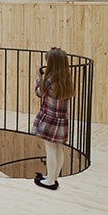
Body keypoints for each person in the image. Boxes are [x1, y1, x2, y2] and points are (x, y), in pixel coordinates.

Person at [32, 47, 74, 191]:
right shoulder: (67, 81)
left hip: (49, 119)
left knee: (50, 149)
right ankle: (54, 177)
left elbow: (39, 93)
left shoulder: (48, 81)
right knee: (58, 149)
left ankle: (49, 181)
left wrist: (39, 79)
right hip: (62, 120)